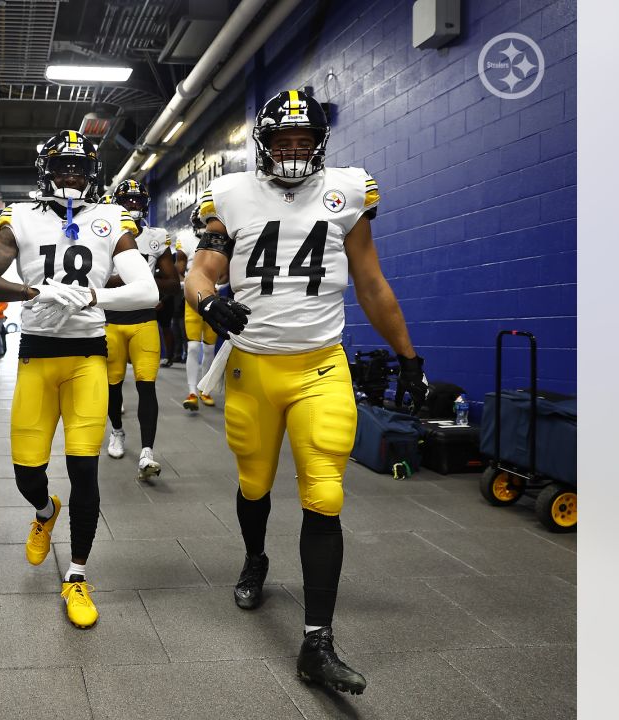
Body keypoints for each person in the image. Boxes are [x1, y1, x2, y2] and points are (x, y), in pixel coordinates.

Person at [185, 90, 428, 695]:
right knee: (255, 484)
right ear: (264, 142)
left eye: (303, 140)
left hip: (321, 365)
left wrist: (409, 357)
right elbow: (200, 271)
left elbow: (370, 282)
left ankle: (317, 641)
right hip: (253, 370)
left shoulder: (347, 192)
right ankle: (255, 557)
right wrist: (211, 302)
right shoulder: (233, 194)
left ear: (319, 143)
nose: (293, 151)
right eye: (283, 140)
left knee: (325, 490)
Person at [0, 131, 157, 628]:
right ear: (45, 171)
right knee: (26, 473)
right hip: (36, 354)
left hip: (87, 357)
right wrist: (33, 290)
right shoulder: (21, 217)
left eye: (78, 168)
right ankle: (45, 512)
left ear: (93, 173)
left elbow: (147, 290)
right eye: (62, 167)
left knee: (85, 472)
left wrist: (95, 298)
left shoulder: (112, 218)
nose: (70, 177)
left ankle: (76, 575)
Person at [102, 180, 180, 480]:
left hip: (144, 320)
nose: (132, 207)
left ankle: (148, 450)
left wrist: (138, 287)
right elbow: (96, 279)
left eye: (137, 202)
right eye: (127, 202)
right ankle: (117, 432)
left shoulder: (156, 237)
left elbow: (173, 282)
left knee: (147, 385)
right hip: (111, 321)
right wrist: (139, 285)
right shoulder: (105, 233)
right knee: (112, 385)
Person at [175, 224, 219, 412]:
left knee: (209, 348)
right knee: (193, 346)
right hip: (193, 296)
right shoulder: (186, 239)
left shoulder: (221, 238)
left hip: (215, 296)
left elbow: (227, 268)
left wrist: (221, 284)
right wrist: (186, 283)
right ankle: (192, 391)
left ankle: (205, 389)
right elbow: (180, 265)